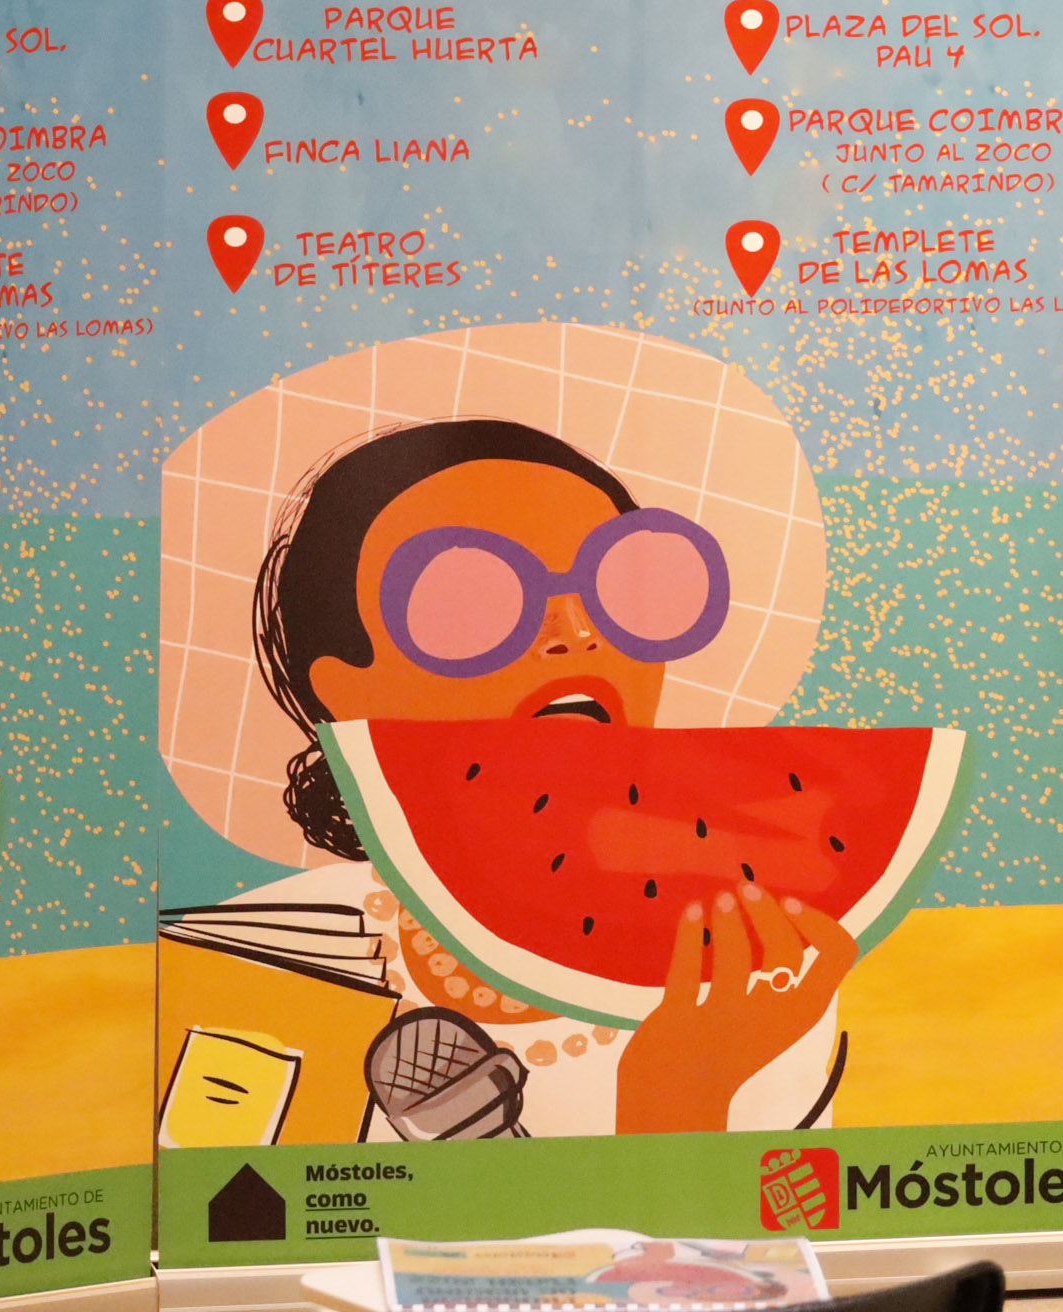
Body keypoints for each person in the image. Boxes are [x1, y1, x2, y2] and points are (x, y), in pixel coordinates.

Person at [243, 417, 850, 1136]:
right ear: (346, 693)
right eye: (467, 603)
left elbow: (761, 1208)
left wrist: (687, 1083)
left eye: (618, 586)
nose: (576, 633)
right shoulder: (260, 965)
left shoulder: (770, 967)